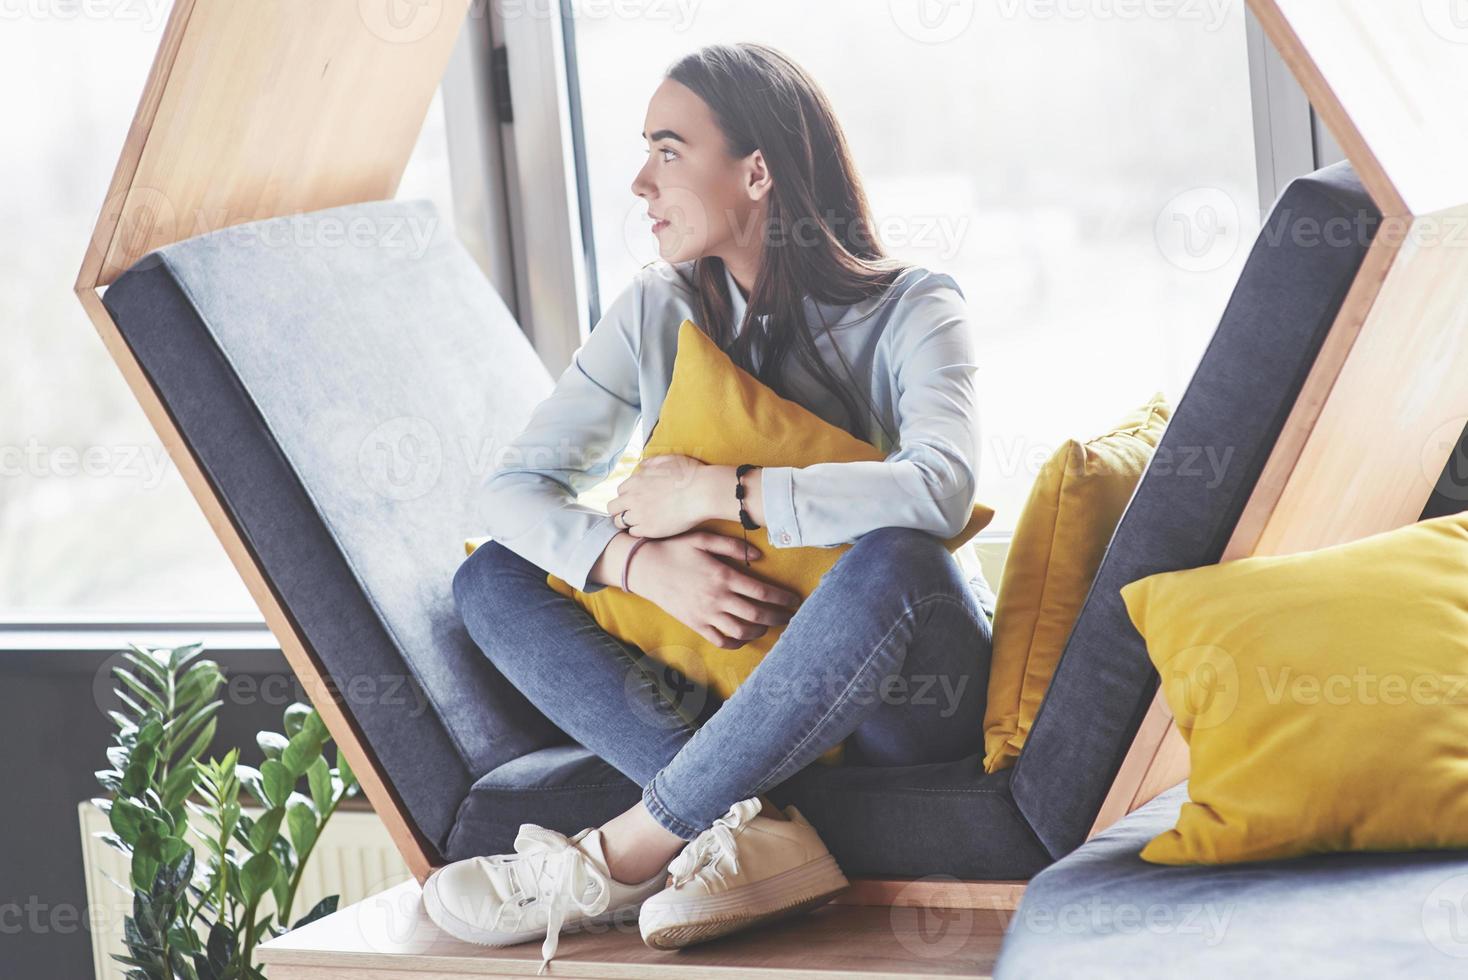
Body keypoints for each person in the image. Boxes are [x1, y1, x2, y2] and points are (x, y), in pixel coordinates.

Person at [428, 41, 995, 972]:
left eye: (668, 150)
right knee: (489, 578)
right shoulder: (657, 308)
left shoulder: (917, 307)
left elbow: (940, 487)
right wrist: (638, 564)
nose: (639, 183)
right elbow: (509, 492)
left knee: (901, 559)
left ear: (758, 171)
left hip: (898, 694)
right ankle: (750, 819)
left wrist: (723, 494)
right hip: (737, 680)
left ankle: (622, 854)